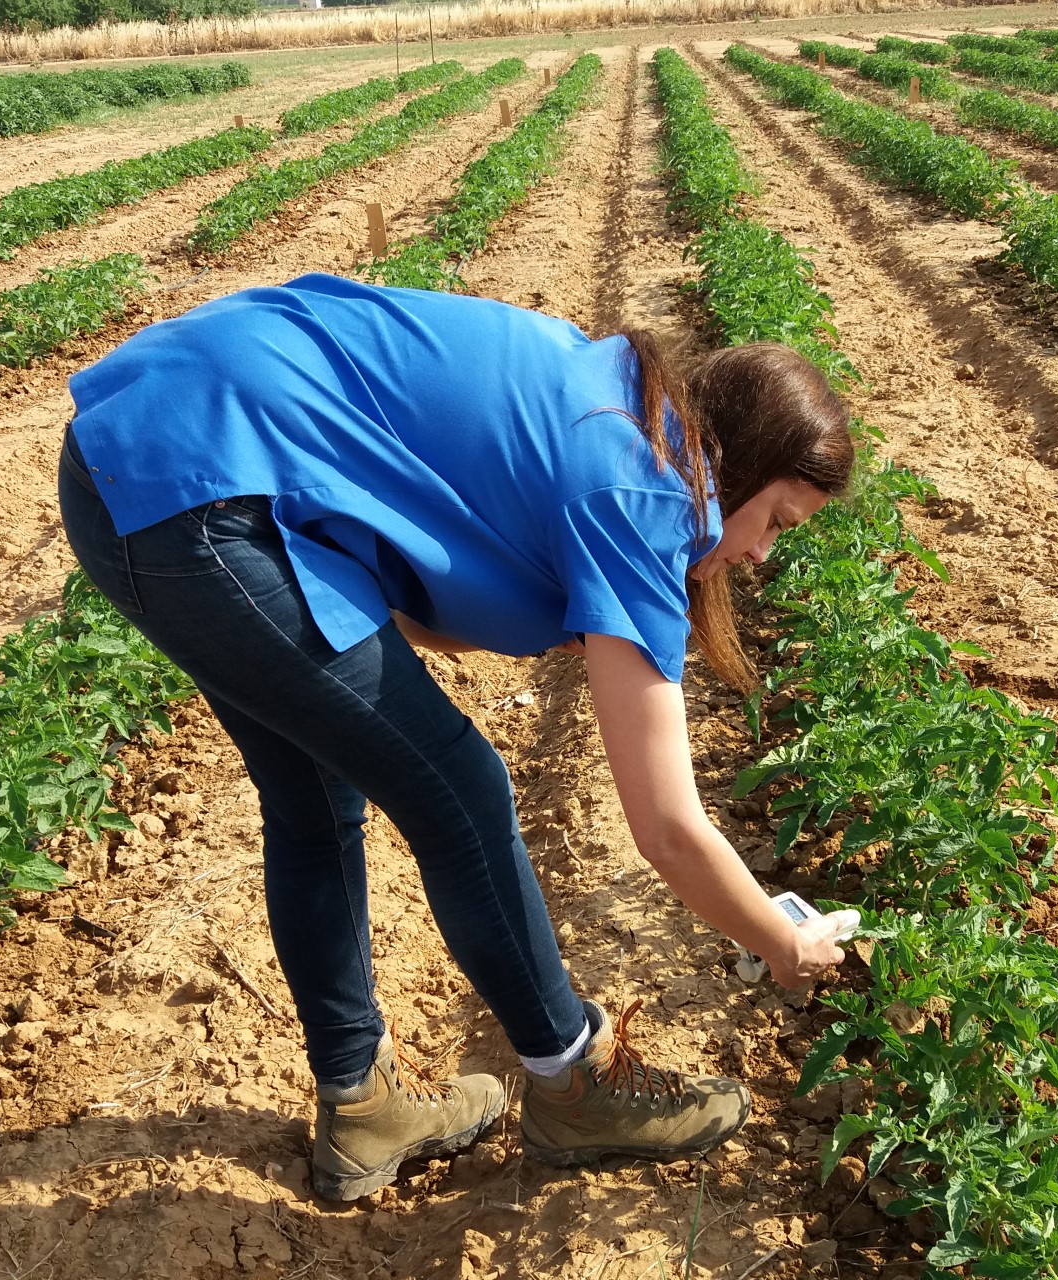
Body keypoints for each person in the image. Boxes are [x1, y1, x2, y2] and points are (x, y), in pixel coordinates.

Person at [58, 273, 856, 1201]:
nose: (761, 554)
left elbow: (432, 594)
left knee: (317, 796)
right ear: (737, 469)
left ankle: (360, 1108)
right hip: (200, 488)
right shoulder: (643, 489)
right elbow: (668, 827)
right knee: (462, 791)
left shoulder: (615, 399)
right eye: (775, 523)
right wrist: (780, 940)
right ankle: (575, 1084)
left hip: (152, 450)